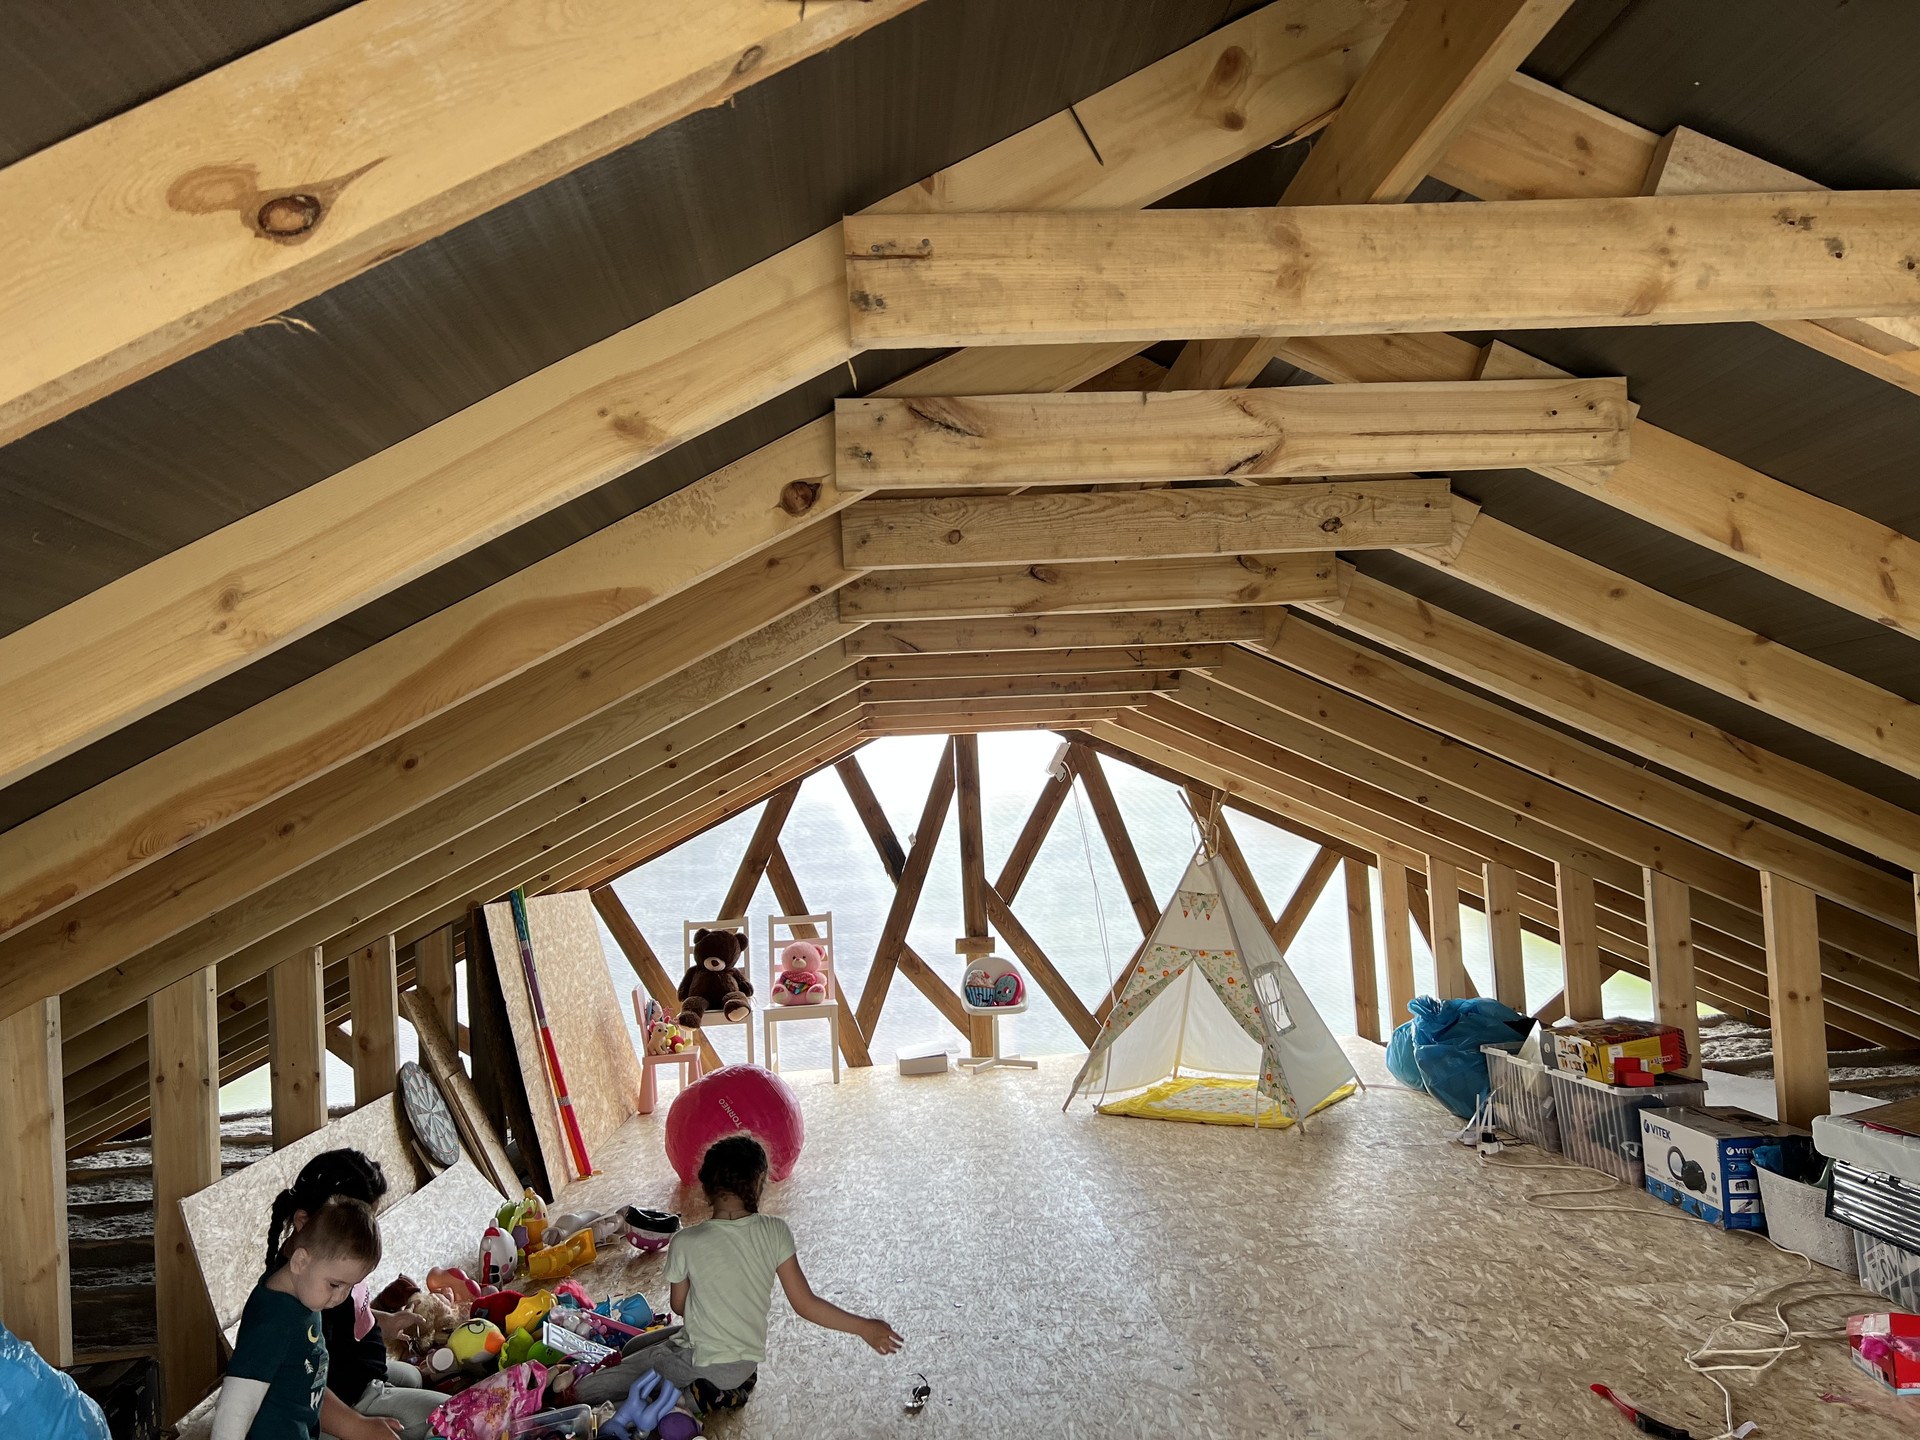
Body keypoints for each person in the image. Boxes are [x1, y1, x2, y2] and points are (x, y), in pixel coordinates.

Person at [577, 1136, 903, 1413]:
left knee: (590, 1387)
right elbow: (806, 1304)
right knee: (639, 1344)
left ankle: (680, 1397)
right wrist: (864, 1327)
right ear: (759, 1184)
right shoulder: (776, 1231)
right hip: (741, 1365)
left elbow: (679, 1306)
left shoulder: (686, 1241)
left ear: (705, 1189)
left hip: (701, 1361)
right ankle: (701, 1393)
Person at [262, 1149, 443, 1440]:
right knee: (450, 1414)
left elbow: (346, 1315)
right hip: (346, 1401)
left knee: (412, 1376)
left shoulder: (329, 1269)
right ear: (304, 1222)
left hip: (361, 1377)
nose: (365, 1235)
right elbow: (301, 1383)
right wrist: (359, 1426)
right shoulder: (300, 1294)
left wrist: (383, 1321)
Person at [212, 1196, 383, 1439]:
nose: (340, 1297)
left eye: (350, 1287)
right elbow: (236, 1403)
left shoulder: (304, 1295)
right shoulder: (273, 1322)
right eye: (335, 1284)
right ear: (300, 1261)